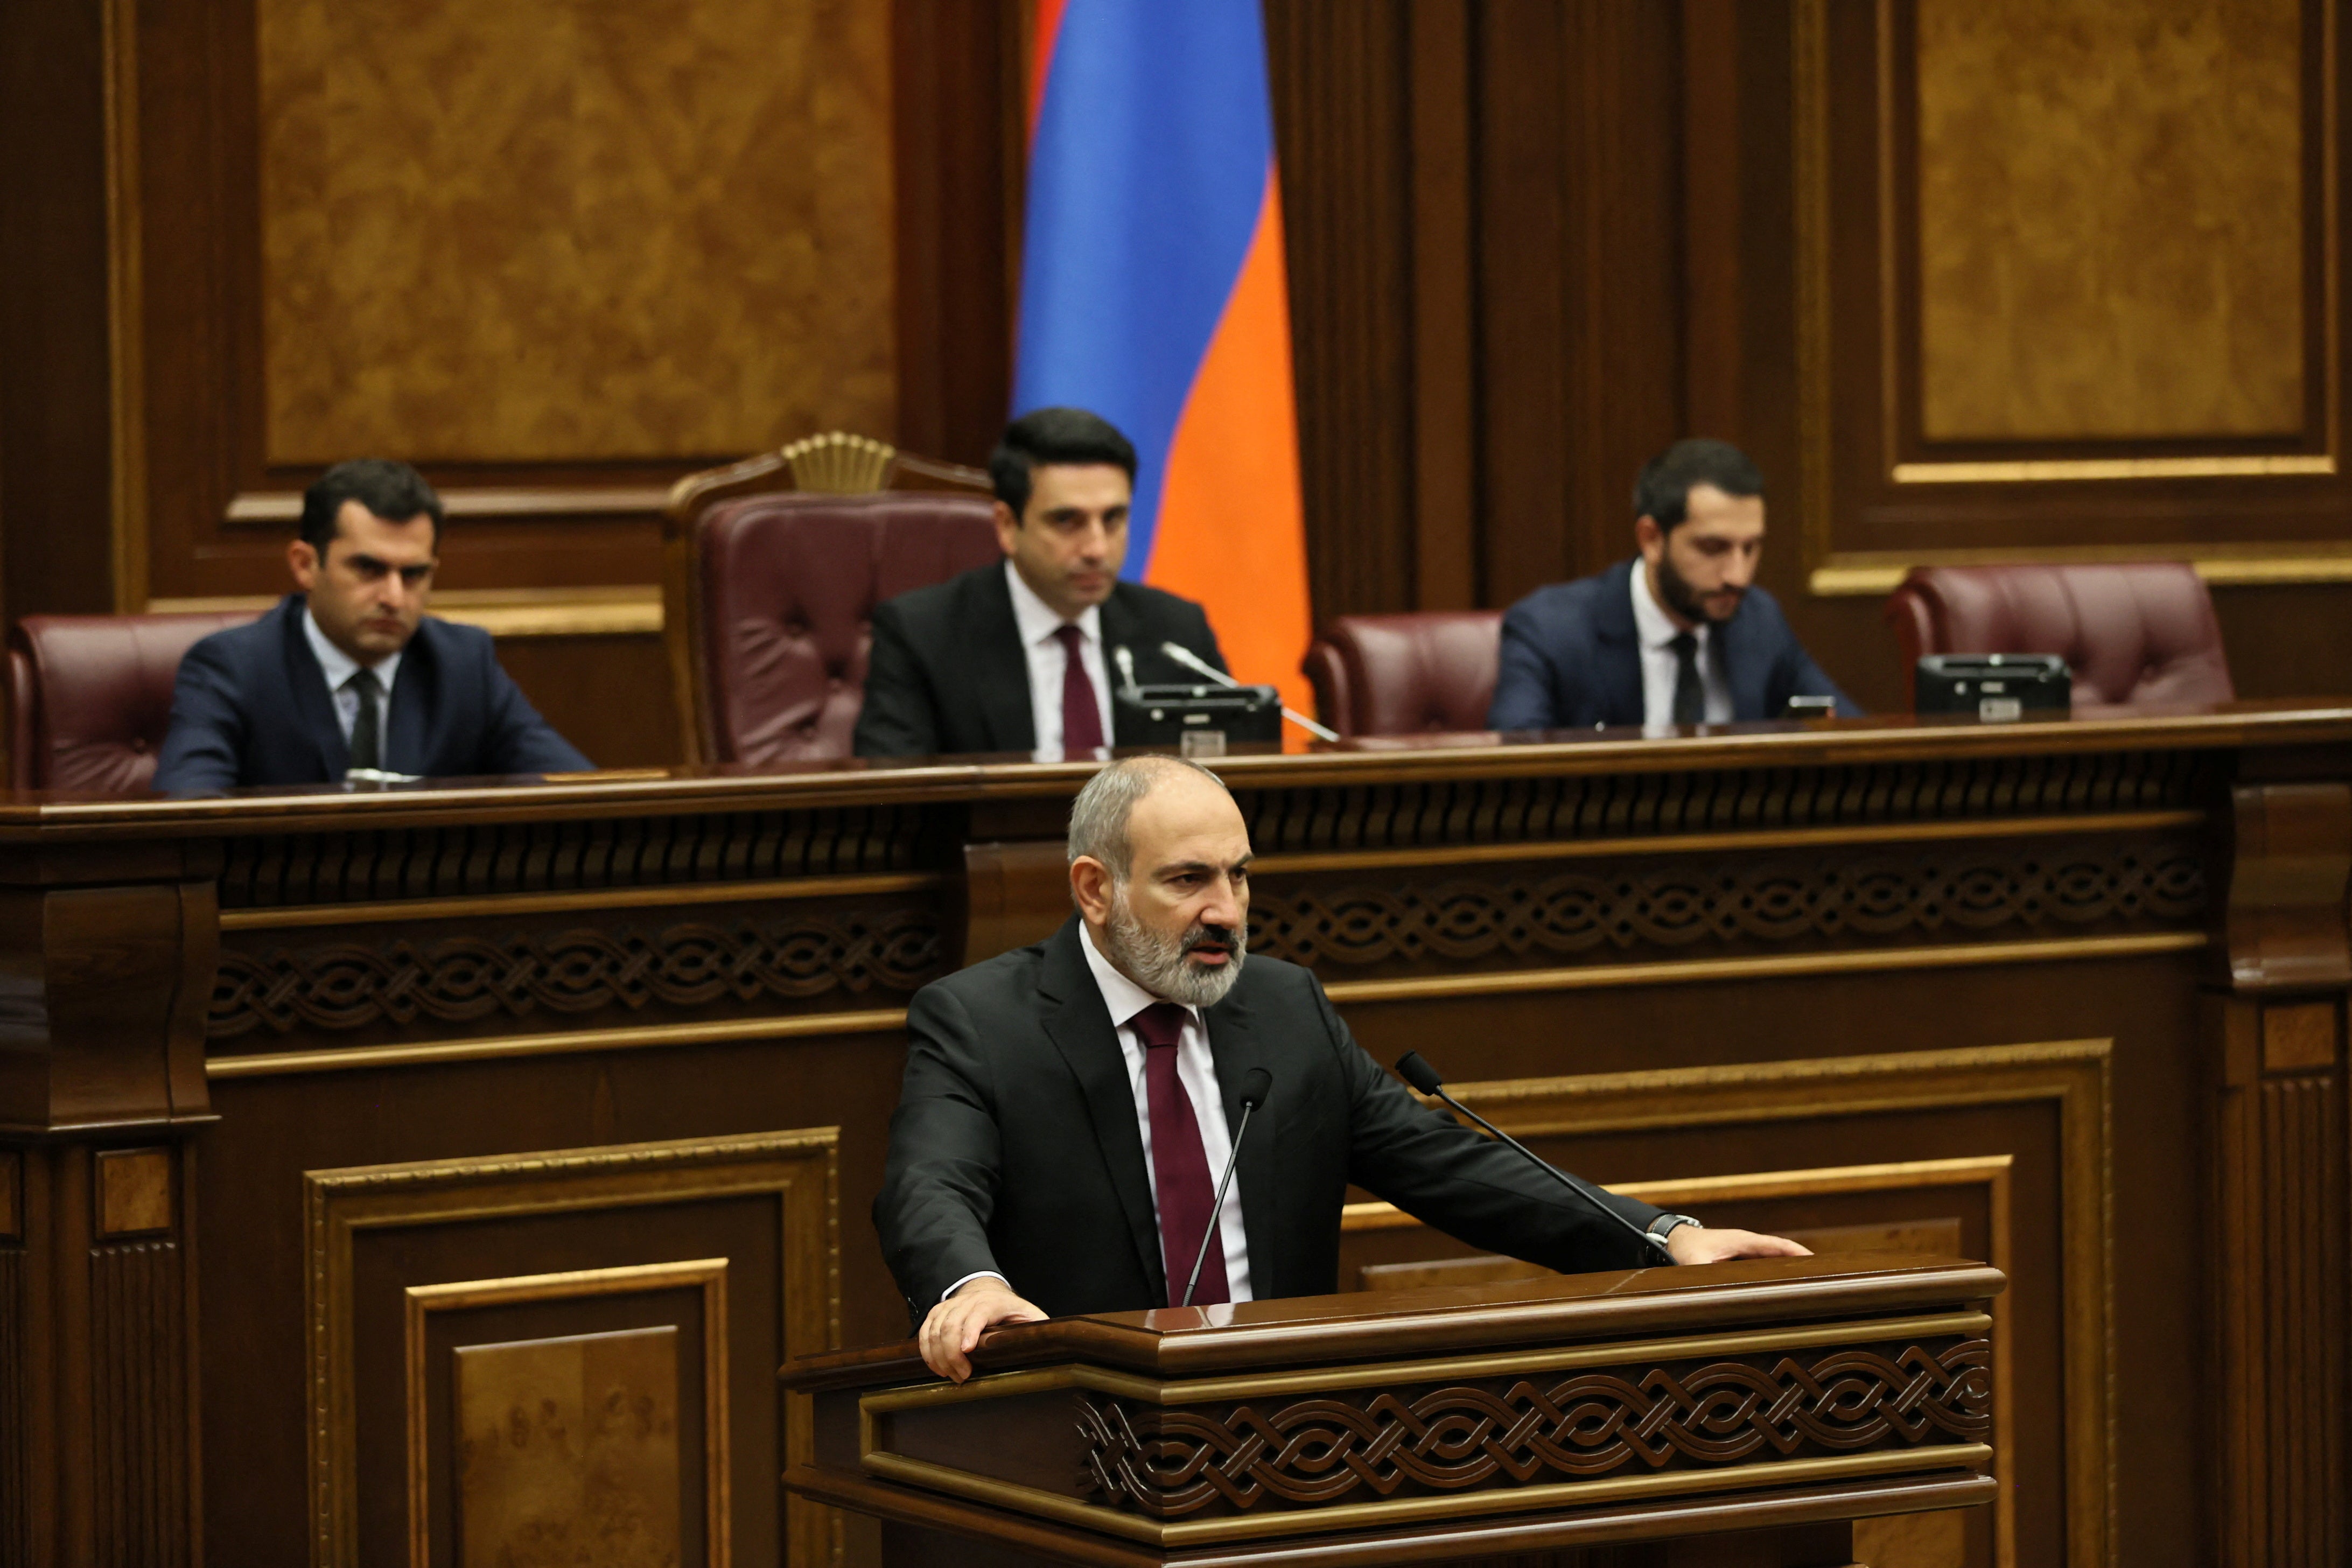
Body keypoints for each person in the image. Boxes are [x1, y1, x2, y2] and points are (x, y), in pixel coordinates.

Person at [875, 754, 1809, 1381]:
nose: (1226, 910)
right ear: (1093, 887)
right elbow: (929, 1182)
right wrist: (972, 1285)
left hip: (1282, 1424)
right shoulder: (983, 1021)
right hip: (1078, 1422)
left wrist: (1658, 1236)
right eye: (1187, 879)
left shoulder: (1283, 1011)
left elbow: (1447, 1165)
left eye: (1239, 876)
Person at [152, 459, 591, 794]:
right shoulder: (234, 667)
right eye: (369, 569)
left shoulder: (462, 663)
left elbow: (576, 789)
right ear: (305, 565)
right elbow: (189, 808)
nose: (394, 598)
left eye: (414, 574)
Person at [851, 408, 1228, 759]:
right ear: (1007, 527)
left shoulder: (1177, 632)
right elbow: (892, 798)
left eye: (1113, 519)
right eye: (1067, 521)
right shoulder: (923, 635)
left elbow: (1231, 778)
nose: (1097, 548)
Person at [1487, 438, 1858, 732]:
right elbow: (1516, 767)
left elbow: (1850, 730)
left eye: (1751, 548)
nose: (1738, 575)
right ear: (1652, 539)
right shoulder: (1551, 632)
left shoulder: (1759, 619)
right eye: (1714, 548)